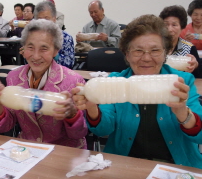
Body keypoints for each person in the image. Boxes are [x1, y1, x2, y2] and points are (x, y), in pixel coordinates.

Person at [72, 15, 202, 168]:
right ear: (126, 54)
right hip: (126, 165)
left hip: (175, 167)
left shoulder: (181, 81)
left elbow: (199, 137)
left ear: (165, 53)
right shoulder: (116, 81)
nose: (146, 58)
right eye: (138, 50)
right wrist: (92, 107)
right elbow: (103, 129)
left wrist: (182, 112)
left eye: (155, 50)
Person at [0, 19, 87, 148]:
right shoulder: (14, 78)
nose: (36, 56)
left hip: (63, 151)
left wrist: (72, 114)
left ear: (55, 51)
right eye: (30, 47)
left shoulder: (74, 82)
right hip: (28, 150)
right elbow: (5, 127)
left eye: (44, 49)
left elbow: (79, 133)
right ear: (23, 48)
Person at [159, 5, 201, 78]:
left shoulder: (189, 48)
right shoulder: (154, 46)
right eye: (166, 24)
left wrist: (196, 66)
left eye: (174, 25)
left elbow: (197, 76)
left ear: (182, 27)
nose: (169, 29)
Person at [34, 0, 75, 69]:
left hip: (60, 75)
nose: (43, 22)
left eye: (47, 19)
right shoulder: (33, 37)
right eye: (40, 19)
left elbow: (69, 63)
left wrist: (53, 54)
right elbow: (28, 63)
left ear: (54, 19)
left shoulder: (65, 37)